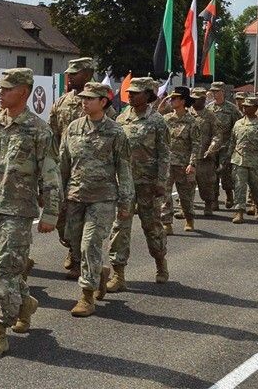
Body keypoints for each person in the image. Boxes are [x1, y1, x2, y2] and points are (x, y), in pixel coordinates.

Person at [0, 68, 60, 358]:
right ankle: (25, 302)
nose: (0, 92)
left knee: (5, 270)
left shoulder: (39, 130)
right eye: (0, 88)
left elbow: (51, 174)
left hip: (19, 211)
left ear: (24, 92)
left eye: (7, 88)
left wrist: (51, 213)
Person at [59, 81, 133, 317]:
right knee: (74, 242)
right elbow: (63, 163)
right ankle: (98, 273)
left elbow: (124, 169)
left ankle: (86, 296)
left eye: (90, 98)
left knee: (90, 244)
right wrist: (55, 196)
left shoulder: (115, 132)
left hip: (103, 197)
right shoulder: (73, 128)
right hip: (75, 196)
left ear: (103, 102)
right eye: (83, 98)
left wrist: (125, 202)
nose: (84, 101)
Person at [109, 77, 170, 291]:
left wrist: (161, 182)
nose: (130, 95)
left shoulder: (157, 121)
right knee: (120, 227)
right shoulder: (121, 118)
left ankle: (160, 262)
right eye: (130, 92)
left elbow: (164, 154)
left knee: (151, 226)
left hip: (148, 184)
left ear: (148, 95)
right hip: (125, 183)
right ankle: (118, 274)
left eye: (135, 92)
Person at [49, 57, 103, 272]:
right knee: (62, 220)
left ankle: (82, 259)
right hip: (64, 170)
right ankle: (72, 247)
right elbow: (52, 134)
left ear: (88, 74)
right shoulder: (61, 102)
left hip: (90, 173)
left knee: (85, 220)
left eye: (75, 73)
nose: (70, 77)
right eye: (69, 73)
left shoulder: (99, 101)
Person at [226, 96, 258, 224]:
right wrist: (228, 157)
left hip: (255, 161)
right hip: (239, 160)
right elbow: (232, 142)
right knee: (239, 186)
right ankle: (239, 212)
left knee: (256, 188)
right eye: (244, 106)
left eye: (248, 106)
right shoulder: (238, 123)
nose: (244, 108)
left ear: (255, 107)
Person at [161, 86, 201, 234]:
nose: (172, 100)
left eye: (175, 98)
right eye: (171, 98)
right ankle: (166, 223)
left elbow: (196, 144)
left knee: (185, 196)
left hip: (184, 165)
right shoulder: (166, 119)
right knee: (165, 194)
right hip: (167, 163)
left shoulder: (192, 121)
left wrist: (192, 163)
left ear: (183, 101)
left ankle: (189, 219)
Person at [205, 82, 242, 210]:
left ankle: (228, 193)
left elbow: (239, 127)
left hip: (227, 146)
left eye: (217, 91)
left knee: (225, 172)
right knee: (211, 173)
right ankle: (214, 199)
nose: (214, 94)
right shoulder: (208, 109)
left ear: (223, 92)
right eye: (213, 92)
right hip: (212, 146)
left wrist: (235, 146)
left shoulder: (232, 109)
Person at [189, 87, 224, 217]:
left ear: (203, 100)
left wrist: (212, 148)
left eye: (198, 99)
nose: (195, 102)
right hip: (188, 157)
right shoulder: (187, 114)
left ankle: (208, 203)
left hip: (204, 157)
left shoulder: (210, 116)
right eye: (193, 99)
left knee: (206, 184)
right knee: (187, 184)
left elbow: (217, 135)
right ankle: (185, 208)